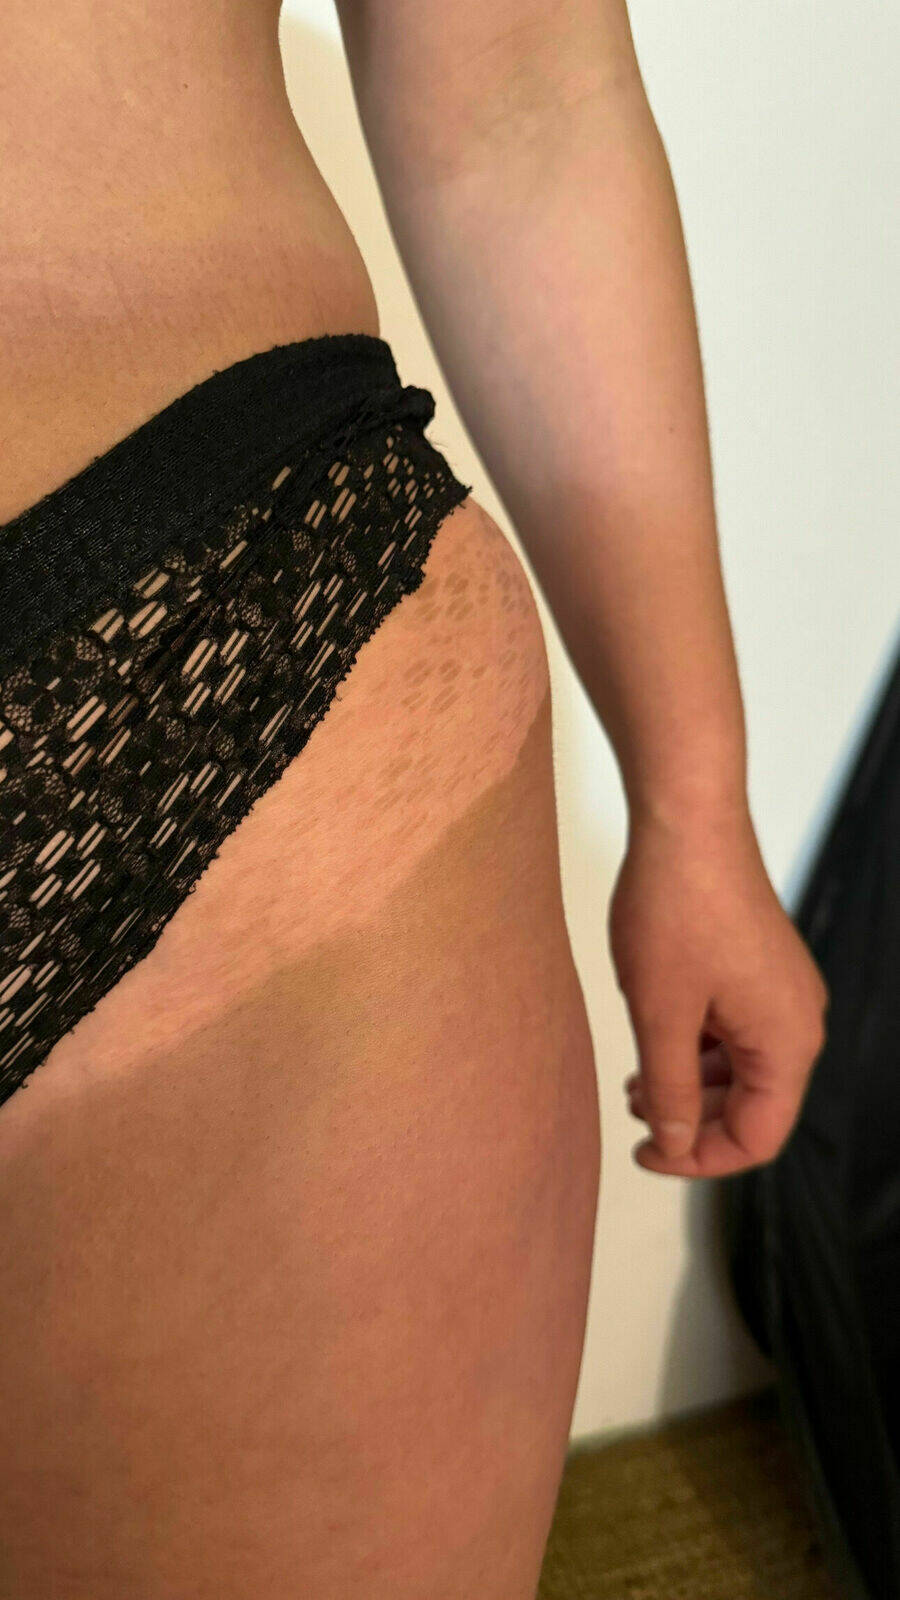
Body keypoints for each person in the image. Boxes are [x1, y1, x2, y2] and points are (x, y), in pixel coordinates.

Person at [0, 1, 828, 1595]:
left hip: (217, 624)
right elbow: (518, 93)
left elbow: (516, 84)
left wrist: (696, 805)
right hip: (222, 607)